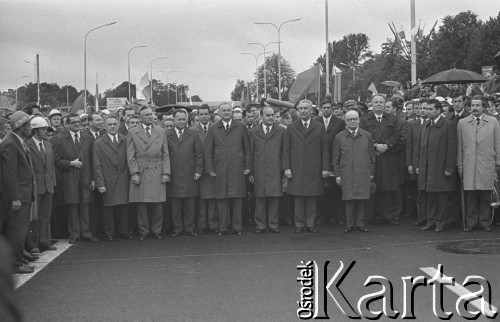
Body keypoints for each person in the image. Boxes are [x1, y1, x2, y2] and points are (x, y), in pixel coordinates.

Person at [283, 99, 330, 233]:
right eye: (300, 108)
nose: (303, 111)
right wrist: (287, 168)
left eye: (305, 108)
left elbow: (324, 149)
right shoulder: (291, 127)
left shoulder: (319, 127)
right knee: (298, 197)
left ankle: (310, 224)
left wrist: (325, 168)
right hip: (296, 168)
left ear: (311, 111)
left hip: (314, 168)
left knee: (311, 197)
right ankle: (299, 224)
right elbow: (286, 150)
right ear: (297, 111)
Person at [205, 103, 251, 235]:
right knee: (221, 198)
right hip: (220, 168)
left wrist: (248, 166)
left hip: (238, 168)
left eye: (228, 110)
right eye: (223, 111)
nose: (226, 113)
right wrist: (210, 168)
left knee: (237, 198)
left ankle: (237, 227)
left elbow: (247, 149)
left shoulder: (241, 127)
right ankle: (223, 227)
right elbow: (208, 151)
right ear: (219, 113)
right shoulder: (213, 129)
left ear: (232, 112)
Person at [457, 95, 500, 232]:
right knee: (470, 196)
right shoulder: (462, 123)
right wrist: (460, 165)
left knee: (485, 195)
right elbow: (459, 147)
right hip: (469, 164)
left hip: (487, 164)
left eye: (478, 105)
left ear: (484, 107)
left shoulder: (493, 122)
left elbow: (498, 144)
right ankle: (471, 222)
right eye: (473, 105)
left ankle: (485, 222)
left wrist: (498, 162)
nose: (475, 108)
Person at [127, 106, 170, 240]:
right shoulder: (133, 132)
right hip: (141, 169)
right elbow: (130, 155)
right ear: (140, 117)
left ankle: (157, 230)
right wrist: (134, 172)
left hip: (157, 169)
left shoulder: (161, 131)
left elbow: (165, 154)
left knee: (157, 203)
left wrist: (166, 172)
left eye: (151, 114)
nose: (150, 117)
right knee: (141, 203)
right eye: (146, 115)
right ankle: (143, 231)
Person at [53, 113, 97, 244]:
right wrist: (70, 163)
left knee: (85, 205)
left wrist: (94, 178)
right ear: (67, 124)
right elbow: (56, 160)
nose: (77, 124)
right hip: (70, 176)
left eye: (78, 121)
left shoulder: (87, 138)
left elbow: (93, 160)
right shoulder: (60, 140)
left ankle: (86, 232)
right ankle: (74, 234)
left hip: (86, 176)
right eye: (73, 122)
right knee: (73, 205)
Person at [0, 111, 36, 274]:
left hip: (24, 193)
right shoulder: (10, 143)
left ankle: (18, 258)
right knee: (16, 231)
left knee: (20, 230)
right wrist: (15, 198)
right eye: (28, 126)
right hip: (18, 196)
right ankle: (15, 264)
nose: (31, 129)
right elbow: (9, 173)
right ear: (20, 128)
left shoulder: (18, 141)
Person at [416, 99, 457, 232]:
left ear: (438, 110)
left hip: (441, 168)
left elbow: (452, 148)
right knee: (430, 196)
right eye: (426, 109)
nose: (427, 112)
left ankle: (441, 222)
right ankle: (431, 221)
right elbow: (421, 148)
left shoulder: (448, 125)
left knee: (442, 197)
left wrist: (449, 168)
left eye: (430, 109)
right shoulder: (426, 125)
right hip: (428, 168)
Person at [359, 94, 401, 224]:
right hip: (371, 158)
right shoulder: (364, 120)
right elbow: (362, 136)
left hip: (387, 157)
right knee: (371, 187)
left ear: (384, 104)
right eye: (376, 102)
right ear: (371, 104)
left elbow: (397, 135)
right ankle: (369, 216)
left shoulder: (392, 119)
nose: (378, 104)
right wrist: (376, 145)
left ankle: (387, 216)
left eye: (381, 102)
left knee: (386, 188)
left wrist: (387, 145)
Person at [332, 110, 375, 233]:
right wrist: (337, 175)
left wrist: (371, 173)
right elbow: (335, 159)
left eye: (355, 119)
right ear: (345, 121)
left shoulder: (367, 136)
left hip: (363, 172)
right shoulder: (339, 137)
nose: (352, 121)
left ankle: (361, 224)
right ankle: (349, 224)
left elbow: (372, 157)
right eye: (349, 119)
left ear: (359, 120)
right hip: (346, 173)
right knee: (349, 199)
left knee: (362, 199)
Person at [93, 115, 132, 241]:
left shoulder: (125, 140)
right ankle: (110, 232)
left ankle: (124, 231)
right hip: (108, 179)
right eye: (109, 124)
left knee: (124, 207)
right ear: (105, 126)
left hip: (123, 178)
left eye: (115, 124)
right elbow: (97, 165)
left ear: (119, 125)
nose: (112, 126)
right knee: (108, 208)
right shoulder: (99, 143)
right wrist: (100, 183)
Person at [249, 106, 285, 234]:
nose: (271, 118)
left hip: (275, 168)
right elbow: (250, 153)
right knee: (259, 197)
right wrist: (251, 171)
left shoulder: (281, 131)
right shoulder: (253, 132)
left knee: (274, 197)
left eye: (272, 115)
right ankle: (260, 225)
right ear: (261, 116)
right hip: (259, 169)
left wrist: (284, 169)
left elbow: (284, 152)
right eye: (268, 115)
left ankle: (273, 224)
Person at [166, 109, 203, 237]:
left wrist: (198, 170)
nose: (182, 122)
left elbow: (199, 154)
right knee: (175, 203)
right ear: (174, 120)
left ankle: (190, 228)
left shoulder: (193, 134)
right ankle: (177, 228)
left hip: (190, 173)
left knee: (190, 203)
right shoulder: (167, 134)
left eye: (183, 119)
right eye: (179, 119)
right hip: (173, 173)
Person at [26, 117, 57, 252]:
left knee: (45, 216)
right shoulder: (27, 145)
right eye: (43, 129)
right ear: (35, 130)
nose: (45, 131)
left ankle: (44, 241)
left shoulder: (48, 145)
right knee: (34, 217)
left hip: (48, 185)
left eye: (46, 128)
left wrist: (53, 182)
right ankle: (33, 244)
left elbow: (51, 167)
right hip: (35, 186)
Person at [316, 99, 346, 225]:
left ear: (332, 109)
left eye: (329, 107)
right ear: (321, 108)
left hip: (335, 158)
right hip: (320, 159)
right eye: (324, 107)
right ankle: (323, 215)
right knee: (321, 189)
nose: (326, 109)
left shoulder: (340, 123)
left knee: (335, 190)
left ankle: (336, 214)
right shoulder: (316, 122)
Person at [190, 104, 217, 234]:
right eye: (201, 114)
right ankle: (201, 225)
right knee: (200, 198)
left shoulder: (216, 128)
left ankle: (212, 224)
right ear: (198, 115)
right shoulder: (192, 130)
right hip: (199, 168)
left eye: (206, 114)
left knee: (212, 197)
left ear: (210, 114)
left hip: (213, 168)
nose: (204, 116)